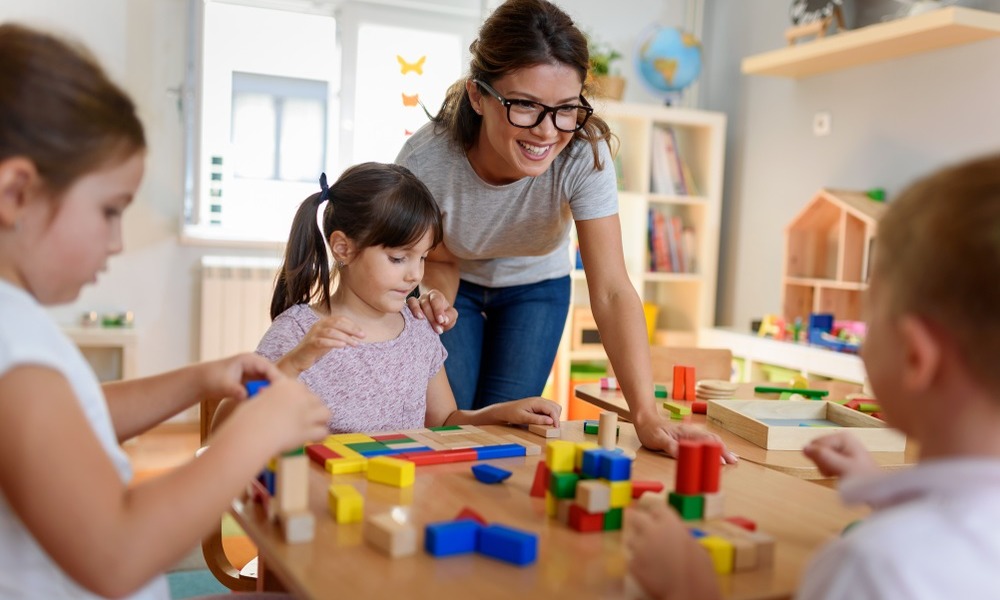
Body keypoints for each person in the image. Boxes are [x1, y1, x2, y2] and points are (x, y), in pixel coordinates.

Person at [0, 24, 331, 599]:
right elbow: (116, 553)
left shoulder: (16, 330)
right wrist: (251, 437)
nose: (116, 242)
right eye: (109, 210)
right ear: (15, 194)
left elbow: (69, 417)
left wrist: (200, 379)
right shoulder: (15, 351)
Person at [625, 153, 1000, 600]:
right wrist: (875, 487)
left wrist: (691, 589)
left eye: (869, 316)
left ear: (916, 357)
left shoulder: (872, 567)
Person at [395, 0, 733, 461]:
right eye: (525, 106)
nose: (547, 132)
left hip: (535, 285)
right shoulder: (426, 161)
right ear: (479, 96)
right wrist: (433, 302)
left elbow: (612, 290)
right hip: (455, 278)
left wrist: (646, 415)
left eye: (565, 109)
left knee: (506, 434)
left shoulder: (583, 155)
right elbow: (439, 258)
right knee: (454, 424)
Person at [220, 162, 561, 434]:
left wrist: (502, 413)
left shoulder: (417, 328)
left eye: (423, 257)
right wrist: (293, 363)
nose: (415, 275)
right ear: (344, 248)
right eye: (399, 258)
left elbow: (443, 423)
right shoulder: (299, 334)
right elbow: (223, 427)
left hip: (403, 504)